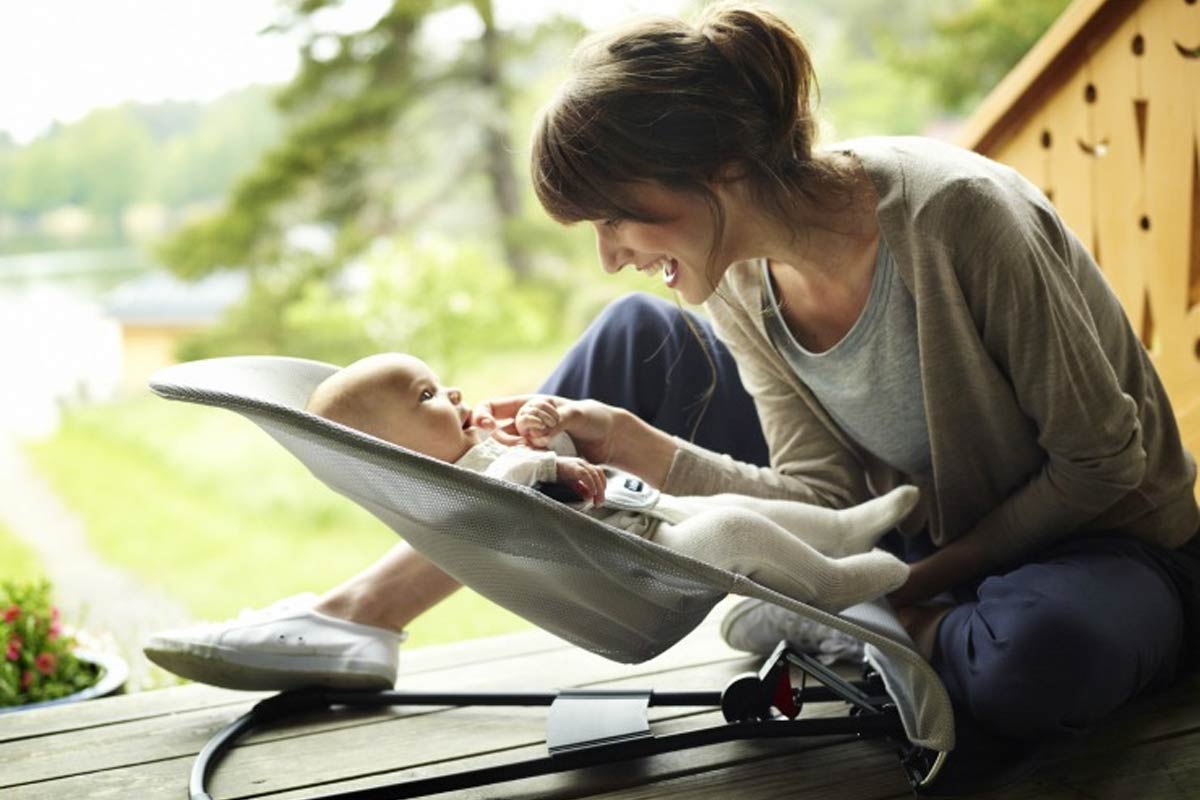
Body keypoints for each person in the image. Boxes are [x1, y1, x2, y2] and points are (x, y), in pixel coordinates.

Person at [148, 1, 1200, 773]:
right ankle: (359, 614)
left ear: (722, 169)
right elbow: (825, 496)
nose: (609, 251)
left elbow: (1100, 465)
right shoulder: (740, 278)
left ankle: (891, 629)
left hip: (1095, 541)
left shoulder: (960, 216)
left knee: (1043, 657)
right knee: (627, 341)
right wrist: (644, 451)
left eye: (619, 217)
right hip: (909, 536)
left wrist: (916, 580)